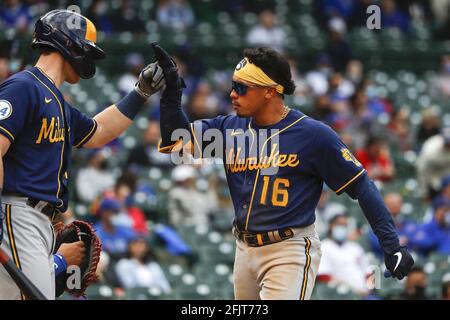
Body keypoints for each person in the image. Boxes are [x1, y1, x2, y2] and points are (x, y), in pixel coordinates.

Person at [152, 44, 414, 299]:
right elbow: (176, 141)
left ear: (270, 91)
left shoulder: (313, 135)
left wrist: (391, 246)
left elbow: (362, 185)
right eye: (233, 86)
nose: (233, 94)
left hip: (288, 250)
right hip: (244, 249)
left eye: (242, 87)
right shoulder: (229, 128)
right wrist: (173, 91)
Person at [0, 10, 165, 300]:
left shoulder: (57, 101)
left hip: (37, 220)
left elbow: (99, 130)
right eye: (86, 50)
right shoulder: (24, 87)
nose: (89, 59)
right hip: (16, 213)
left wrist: (141, 92)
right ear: (69, 44)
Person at [317, 214, 370, 297]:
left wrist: (368, 288)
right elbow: (322, 276)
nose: (342, 228)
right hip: (341, 294)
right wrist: (351, 288)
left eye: (345, 225)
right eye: (339, 225)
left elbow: (368, 272)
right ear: (331, 226)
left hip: (365, 294)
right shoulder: (324, 246)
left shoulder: (355, 247)